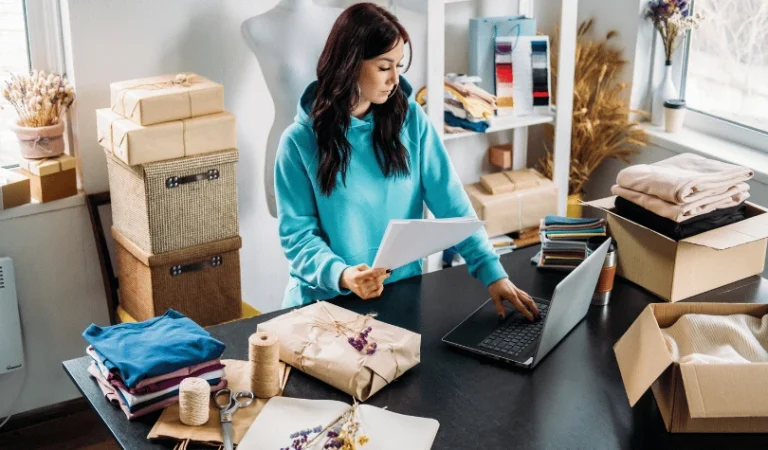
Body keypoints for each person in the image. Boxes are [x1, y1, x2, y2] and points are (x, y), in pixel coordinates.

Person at [274, 2, 540, 321]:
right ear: (349, 64)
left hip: (400, 295)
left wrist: (493, 273)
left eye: (399, 66)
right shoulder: (298, 143)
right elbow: (298, 238)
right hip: (326, 304)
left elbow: (452, 205)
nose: (395, 79)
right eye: (385, 67)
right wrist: (344, 275)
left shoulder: (411, 121)